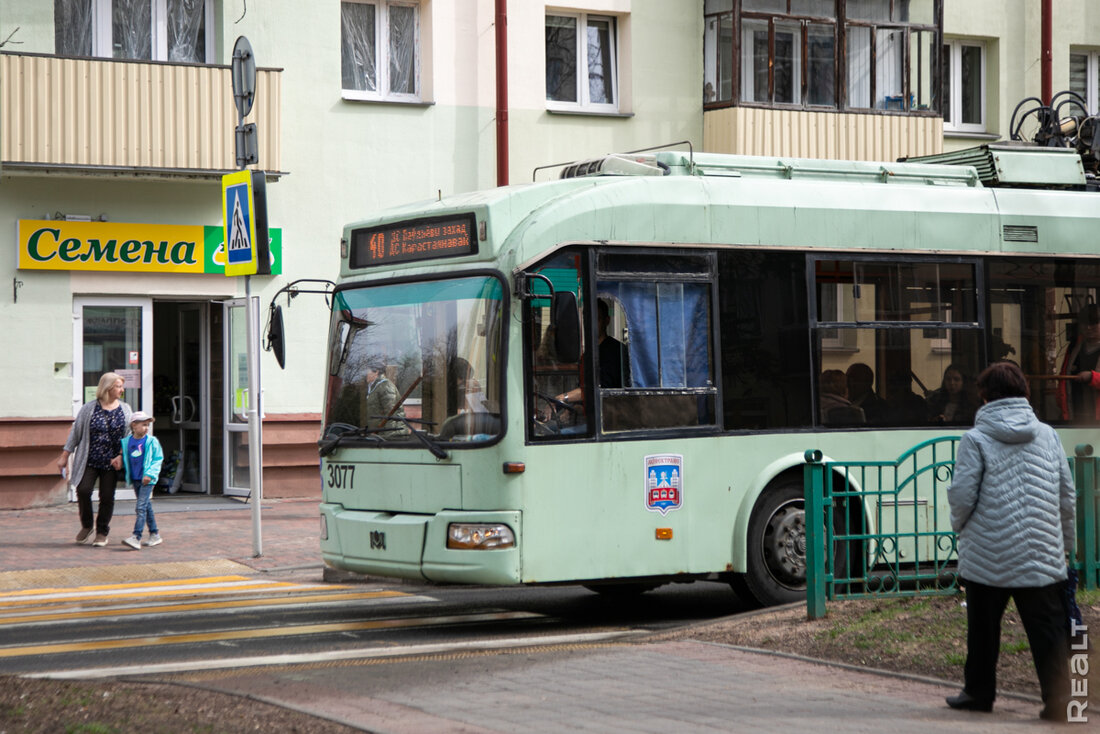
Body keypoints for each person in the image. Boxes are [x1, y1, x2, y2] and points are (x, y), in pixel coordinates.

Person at [945, 361, 1075, 722]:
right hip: (1041, 552)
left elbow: (963, 496)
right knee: (1048, 631)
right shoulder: (1048, 434)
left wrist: (960, 526)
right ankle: (1060, 701)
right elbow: (1067, 495)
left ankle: (978, 693)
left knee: (983, 629)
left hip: (988, 552)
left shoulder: (975, 438)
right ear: (1025, 394)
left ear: (984, 396)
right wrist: (1066, 545)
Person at [57, 372, 132, 547]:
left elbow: (129, 436)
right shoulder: (89, 408)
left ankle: (102, 532)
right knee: (83, 490)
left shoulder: (125, 409)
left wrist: (121, 455)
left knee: (106, 496)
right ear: (107, 388)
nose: (122, 389)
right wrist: (64, 456)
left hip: (112, 462)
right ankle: (87, 525)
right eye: (118, 386)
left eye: (122, 386)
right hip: (89, 459)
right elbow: (75, 434)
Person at [555, 299, 630, 405]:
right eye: (587, 320)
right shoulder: (588, 353)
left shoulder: (615, 351)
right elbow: (583, 390)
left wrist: (563, 397)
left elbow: (598, 389)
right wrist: (573, 409)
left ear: (607, 321)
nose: (591, 325)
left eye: (596, 320)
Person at [120, 412, 164, 550]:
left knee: (140, 507)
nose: (146, 428)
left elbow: (157, 459)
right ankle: (155, 534)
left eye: (148, 425)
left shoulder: (152, 441)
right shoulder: (127, 442)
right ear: (134, 425)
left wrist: (150, 474)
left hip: (147, 479)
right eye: (143, 425)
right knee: (146, 507)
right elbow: (126, 457)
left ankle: (136, 537)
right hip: (136, 478)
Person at [1058, 303, 1100, 422]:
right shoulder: (1074, 346)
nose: (1088, 328)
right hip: (1075, 411)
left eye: (1094, 323)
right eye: (1085, 323)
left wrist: (1093, 377)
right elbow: (1063, 376)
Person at [361, 359, 406, 433]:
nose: (366, 374)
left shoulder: (385, 387)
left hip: (390, 436)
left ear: (376, 372)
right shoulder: (374, 387)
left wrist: (386, 436)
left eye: (367, 372)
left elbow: (391, 415)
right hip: (379, 434)